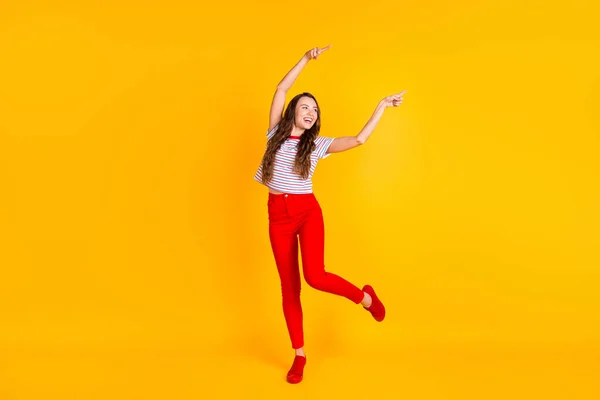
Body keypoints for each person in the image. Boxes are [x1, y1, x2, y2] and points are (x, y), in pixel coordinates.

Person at [254, 44, 406, 384]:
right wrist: (305, 60)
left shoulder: (318, 144)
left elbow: (360, 140)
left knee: (315, 276)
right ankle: (300, 356)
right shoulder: (273, 132)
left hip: (307, 212)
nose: (310, 111)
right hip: (277, 215)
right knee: (289, 288)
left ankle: (366, 298)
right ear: (293, 110)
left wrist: (381, 106)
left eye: (315, 109)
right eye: (305, 106)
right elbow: (281, 88)